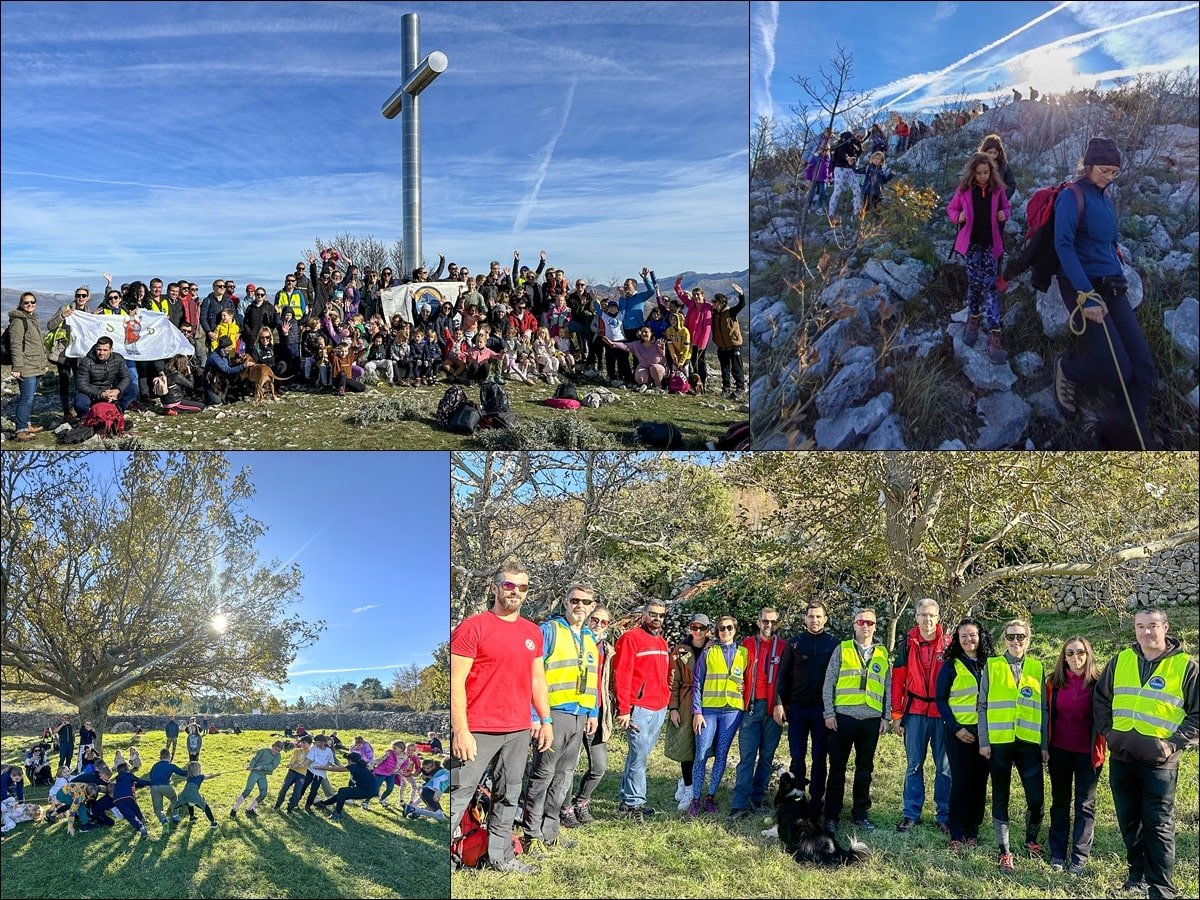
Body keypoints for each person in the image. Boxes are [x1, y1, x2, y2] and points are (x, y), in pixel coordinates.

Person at [449, 561, 553, 875]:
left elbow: (537, 680)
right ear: (495, 588)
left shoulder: (532, 632)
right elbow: (455, 682)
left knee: (508, 794)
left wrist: (545, 720)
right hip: (478, 728)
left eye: (522, 587)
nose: (516, 592)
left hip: (519, 729)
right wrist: (460, 730)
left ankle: (501, 857)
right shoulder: (474, 627)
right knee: (458, 794)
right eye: (509, 586)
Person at [1053, 137, 1154, 448]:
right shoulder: (1072, 196)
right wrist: (1086, 295)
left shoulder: (1105, 200)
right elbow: (1064, 245)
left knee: (1143, 368)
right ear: (1089, 165)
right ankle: (1068, 368)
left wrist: (1117, 258)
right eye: (1104, 170)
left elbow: (1108, 240)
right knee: (1117, 369)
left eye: (1114, 172)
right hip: (1083, 285)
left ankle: (1126, 439)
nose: (1109, 177)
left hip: (1111, 283)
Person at [1094, 607, 1198, 899]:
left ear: (1166, 628)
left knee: (1159, 825)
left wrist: (1172, 743)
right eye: (1140, 626)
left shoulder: (1185, 666)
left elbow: (1198, 714)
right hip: (1122, 759)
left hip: (1160, 764)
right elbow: (1101, 700)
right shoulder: (1120, 660)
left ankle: (1161, 887)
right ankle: (1136, 876)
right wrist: (1109, 733)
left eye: (1152, 625)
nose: (1146, 632)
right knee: (1129, 821)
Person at [521, 583, 599, 852]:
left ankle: (550, 831)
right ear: (566, 602)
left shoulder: (590, 637)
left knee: (564, 776)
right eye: (575, 600)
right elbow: (533, 674)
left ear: (592, 606)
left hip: (580, 717)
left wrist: (594, 711)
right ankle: (531, 833)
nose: (580, 606)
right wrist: (536, 716)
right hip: (553, 714)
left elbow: (593, 678)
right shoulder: (550, 630)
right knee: (543, 774)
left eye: (586, 602)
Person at [978, 617, 1047, 875]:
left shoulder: (1037, 667)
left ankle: (1031, 839)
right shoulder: (992, 666)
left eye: (1021, 636)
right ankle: (1004, 851)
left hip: (1029, 744)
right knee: (1001, 797)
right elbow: (982, 705)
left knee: (1036, 799)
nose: (1016, 641)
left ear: (1028, 639)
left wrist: (1044, 744)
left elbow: (1043, 708)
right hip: (999, 743)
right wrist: (984, 741)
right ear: (1003, 640)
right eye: (1011, 636)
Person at [822, 606, 892, 833]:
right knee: (837, 769)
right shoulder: (842, 649)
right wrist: (829, 713)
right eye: (861, 622)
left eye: (869, 623)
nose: (865, 626)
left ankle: (860, 814)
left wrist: (886, 716)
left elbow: (887, 687)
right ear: (854, 625)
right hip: (843, 719)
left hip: (871, 720)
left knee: (865, 770)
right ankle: (832, 816)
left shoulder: (882, 653)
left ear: (875, 626)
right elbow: (829, 682)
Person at [1045, 636, 1105, 875]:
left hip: (1088, 754)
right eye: (1069, 653)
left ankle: (1079, 858)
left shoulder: (1099, 683)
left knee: (1085, 804)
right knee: (1060, 803)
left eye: (1080, 652)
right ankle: (1057, 853)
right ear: (1063, 656)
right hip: (1059, 751)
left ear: (1088, 654)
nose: (1075, 657)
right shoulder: (1053, 683)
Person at [891, 598, 952, 834]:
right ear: (915, 617)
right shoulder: (906, 644)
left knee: (944, 767)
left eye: (931, 615)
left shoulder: (949, 645)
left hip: (941, 712)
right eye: (922, 615)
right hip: (915, 711)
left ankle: (944, 815)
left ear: (938, 618)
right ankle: (910, 814)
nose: (927, 619)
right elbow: (897, 681)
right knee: (914, 765)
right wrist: (896, 714)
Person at [774, 601, 840, 818]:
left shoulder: (834, 644)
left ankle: (816, 800)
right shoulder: (794, 643)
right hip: (798, 710)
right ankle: (797, 797)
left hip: (822, 711)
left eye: (819, 616)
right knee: (797, 757)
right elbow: (782, 676)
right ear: (805, 619)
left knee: (820, 758)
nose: (815, 620)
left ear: (825, 619)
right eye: (811, 616)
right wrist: (779, 703)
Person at [935, 616, 994, 852]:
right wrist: (956, 729)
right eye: (963, 636)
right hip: (959, 733)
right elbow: (941, 700)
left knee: (980, 782)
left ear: (980, 637)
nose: (969, 639)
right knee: (960, 782)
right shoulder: (951, 664)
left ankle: (973, 831)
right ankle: (956, 832)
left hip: (985, 734)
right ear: (957, 640)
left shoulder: (992, 663)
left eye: (972, 635)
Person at [947, 153, 1011, 363]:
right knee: (975, 283)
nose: (983, 177)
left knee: (990, 285)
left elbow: (1006, 207)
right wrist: (959, 217)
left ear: (991, 172)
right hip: (972, 245)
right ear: (972, 173)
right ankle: (973, 318)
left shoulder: (998, 189)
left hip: (991, 246)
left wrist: (1005, 214)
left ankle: (995, 334)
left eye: (986, 172)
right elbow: (952, 208)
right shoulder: (965, 190)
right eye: (979, 173)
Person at [612, 598, 671, 822]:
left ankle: (626, 799)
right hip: (639, 708)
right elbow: (622, 675)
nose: (657, 619)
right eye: (653, 614)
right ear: (644, 614)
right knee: (638, 755)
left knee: (641, 754)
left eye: (661, 615)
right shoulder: (631, 638)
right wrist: (624, 709)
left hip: (659, 706)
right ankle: (635, 803)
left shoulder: (662, 642)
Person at [686, 615, 746, 818]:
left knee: (722, 755)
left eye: (729, 627)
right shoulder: (709, 651)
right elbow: (697, 682)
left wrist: (744, 687)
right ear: (717, 631)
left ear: (735, 629)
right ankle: (695, 799)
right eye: (721, 628)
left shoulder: (744, 653)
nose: (725, 631)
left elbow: (751, 680)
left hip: (732, 711)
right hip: (708, 711)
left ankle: (710, 796)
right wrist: (697, 712)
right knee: (701, 754)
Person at [730, 607, 785, 819]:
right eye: (764, 621)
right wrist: (738, 686)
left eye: (772, 621)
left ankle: (757, 798)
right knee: (747, 757)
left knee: (767, 757)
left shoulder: (783, 647)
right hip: (751, 708)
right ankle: (739, 803)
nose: (768, 625)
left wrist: (782, 705)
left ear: (777, 623)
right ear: (758, 622)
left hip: (773, 710)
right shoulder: (746, 645)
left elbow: (786, 678)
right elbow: (734, 670)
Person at [564, 605, 614, 827]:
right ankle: (564, 808)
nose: (598, 625)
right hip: (574, 710)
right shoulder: (573, 641)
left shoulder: (607, 649)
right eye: (595, 620)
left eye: (604, 622)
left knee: (599, 766)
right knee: (568, 766)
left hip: (597, 711)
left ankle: (581, 801)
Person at [665, 613, 712, 812]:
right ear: (689, 629)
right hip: (685, 700)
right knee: (686, 746)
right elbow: (673, 680)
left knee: (702, 746)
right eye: (694, 627)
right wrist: (673, 707)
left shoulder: (714, 649)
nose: (698, 632)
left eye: (702, 628)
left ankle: (694, 784)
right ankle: (688, 787)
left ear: (708, 630)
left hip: (708, 701)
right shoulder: (680, 650)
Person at [45, 286, 93, 423]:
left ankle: (81, 410)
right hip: (64, 353)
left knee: (81, 381)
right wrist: (62, 316)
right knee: (64, 380)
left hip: (80, 354)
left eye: (84, 295)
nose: (81, 298)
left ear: (88, 298)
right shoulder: (64, 309)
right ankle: (66, 411)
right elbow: (50, 325)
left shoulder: (89, 313)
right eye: (78, 295)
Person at [8, 292, 48, 441]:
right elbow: (15, 346)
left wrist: (43, 365)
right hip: (26, 367)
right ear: (21, 304)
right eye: (26, 303)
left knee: (30, 398)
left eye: (33, 302)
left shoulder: (31, 319)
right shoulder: (18, 321)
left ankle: (27, 423)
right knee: (26, 399)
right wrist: (17, 367)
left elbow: (35, 346)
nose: (30, 305)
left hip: (36, 365)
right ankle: (20, 430)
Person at [74, 336, 138, 416]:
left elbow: (125, 377)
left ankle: (118, 411)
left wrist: (117, 390)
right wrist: (101, 394)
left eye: (105, 350)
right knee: (80, 402)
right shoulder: (86, 362)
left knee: (133, 388)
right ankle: (84, 419)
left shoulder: (118, 359)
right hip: (92, 392)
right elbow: (81, 384)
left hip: (110, 390)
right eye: (99, 349)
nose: (101, 353)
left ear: (111, 350)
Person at [315, 750, 377, 821]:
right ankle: (323, 804)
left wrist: (320, 767)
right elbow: (340, 768)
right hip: (370, 790)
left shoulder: (354, 766)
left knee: (343, 791)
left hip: (367, 790)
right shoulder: (359, 766)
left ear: (350, 760)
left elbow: (339, 770)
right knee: (343, 793)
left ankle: (337, 813)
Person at [230, 741, 283, 818]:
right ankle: (234, 809)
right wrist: (251, 766)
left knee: (263, 793)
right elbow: (254, 759)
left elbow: (273, 766)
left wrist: (261, 767)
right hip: (254, 773)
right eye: (275, 749)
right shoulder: (263, 751)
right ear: (272, 746)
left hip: (262, 774)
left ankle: (250, 809)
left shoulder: (278, 756)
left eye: (278, 751)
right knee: (247, 791)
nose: (276, 752)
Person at [711, 284, 746, 399]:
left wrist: (741, 294)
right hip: (722, 347)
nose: (713, 303)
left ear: (721, 303)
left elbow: (741, 305)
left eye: (715, 301)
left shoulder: (731, 312)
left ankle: (740, 389)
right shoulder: (714, 314)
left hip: (734, 346)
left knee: (737, 369)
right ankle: (726, 389)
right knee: (724, 369)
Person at [299, 734, 346, 810]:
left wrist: (323, 767)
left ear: (324, 742)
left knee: (314, 790)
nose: (318, 744)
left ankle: (308, 805)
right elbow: (309, 759)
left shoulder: (328, 751)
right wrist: (303, 764)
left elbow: (330, 762)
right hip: (311, 771)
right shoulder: (314, 749)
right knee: (303, 787)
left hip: (321, 773)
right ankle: (296, 801)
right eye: (316, 742)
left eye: (320, 742)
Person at [173, 761, 223, 828]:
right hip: (193, 795)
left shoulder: (189, 777)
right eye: (199, 768)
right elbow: (209, 776)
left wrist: (212, 774)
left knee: (190, 803)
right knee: (205, 807)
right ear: (197, 769)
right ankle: (213, 823)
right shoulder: (201, 776)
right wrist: (216, 774)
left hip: (184, 794)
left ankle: (192, 817)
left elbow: (206, 775)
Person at [827, 130, 864, 221]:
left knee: (857, 190)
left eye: (862, 137)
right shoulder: (847, 138)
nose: (860, 137)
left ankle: (856, 214)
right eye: (859, 135)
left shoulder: (858, 145)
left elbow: (858, 154)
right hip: (840, 167)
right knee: (837, 191)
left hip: (850, 169)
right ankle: (831, 214)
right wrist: (847, 158)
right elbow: (841, 150)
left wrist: (854, 160)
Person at [145, 748, 187, 827]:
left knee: (158, 808)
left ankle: (163, 820)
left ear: (160, 757)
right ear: (169, 757)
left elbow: (150, 776)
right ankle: (175, 816)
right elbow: (182, 772)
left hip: (153, 787)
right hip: (165, 785)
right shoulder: (170, 765)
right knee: (174, 798)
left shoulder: (155, 765)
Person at [108, 763, 151, 837]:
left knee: (129, 816)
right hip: (128, 796)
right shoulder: (129, 775)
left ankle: (141, 827)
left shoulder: (118, 779)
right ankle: (142, 820)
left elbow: (134, 784)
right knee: (135, 809)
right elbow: (139, 782)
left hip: (117, 799)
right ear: (127, 770)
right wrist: (149, 783)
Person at [273, 734, 314, 813]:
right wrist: (292, 765)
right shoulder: (297, 751)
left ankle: (290, 807)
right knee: (284, 788)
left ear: (309, 744)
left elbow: (306, 764)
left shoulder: (311, 753)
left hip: (302, 774)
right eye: (301, 742)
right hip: (292, 772)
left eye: (304, 743)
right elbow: (292, 761)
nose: (302, 744)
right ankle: (278, 805)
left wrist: (297, 765)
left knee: (297, 792)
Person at [406, 757, 449, 821]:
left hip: (426, 790)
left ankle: (413, 808)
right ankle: (415, 810)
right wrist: (437, 792)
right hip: (429, 791)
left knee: (436, 811)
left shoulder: (442, 771)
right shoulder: (449, 773)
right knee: (440, 816)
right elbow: (437, 780)